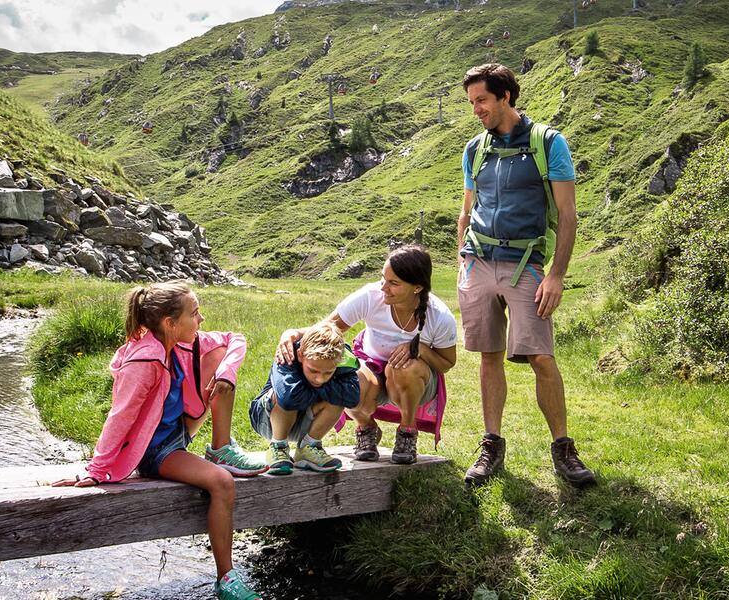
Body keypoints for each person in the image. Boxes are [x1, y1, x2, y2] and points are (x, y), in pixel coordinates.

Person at [49, 282, 264, 600]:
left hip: (178, 429)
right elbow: (119, 418)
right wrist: (96, 469)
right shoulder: (145, 361)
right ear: (170, 323)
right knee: (221, 483)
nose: (201, 319)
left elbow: (236, 339)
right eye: (195, 313)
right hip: (155, 450)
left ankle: (221, 448)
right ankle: (226, 578)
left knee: (219, 353)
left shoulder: (177, 342)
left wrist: (227, 373)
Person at [455, 62, 596, 488]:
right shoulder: (473, 149)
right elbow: (466, 208)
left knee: (540, 356)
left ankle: (564, 449)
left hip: (526, 265)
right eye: (472, 102)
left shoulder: (548, 143)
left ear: (506, 97)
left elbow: (568, 215)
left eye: (482, 100)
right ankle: (491, 446)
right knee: (488, 355)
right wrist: (462, 259)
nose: (476, 109)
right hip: (478, 262)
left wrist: (556, 275)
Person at [274, 245, 458, 464]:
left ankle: (407, 431)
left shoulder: (440, 316)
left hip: (416, 380)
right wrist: (293, 333)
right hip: (371, 367)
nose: (384, 287)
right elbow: (329, 326)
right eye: (383, 278)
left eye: (393, 283)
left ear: (417, 287)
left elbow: (446, 363)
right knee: (349, 381)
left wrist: (420, 350)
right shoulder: (371, 296)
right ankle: (366, 426)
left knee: (401, 368)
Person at [248, 322, 358, 475]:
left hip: (303, 418)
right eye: (313, 370)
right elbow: (288, 398)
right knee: (285, 396)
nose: (320, 379)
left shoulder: (342, 356)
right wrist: (329, 389)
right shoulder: (287, 352)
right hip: (267, 419)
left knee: (339, 400)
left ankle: (309, 447)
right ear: (300, 355)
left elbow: (352, 398)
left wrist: (311, 389)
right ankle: (278, 446)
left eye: (328, 373)